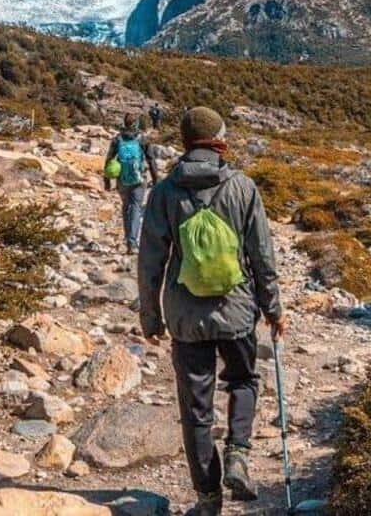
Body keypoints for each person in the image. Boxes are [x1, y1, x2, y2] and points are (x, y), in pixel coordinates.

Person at [136, 107, 283, 515]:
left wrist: (150, 317)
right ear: (219, 138)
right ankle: (238, 452)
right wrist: (272, 308)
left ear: (185, 141)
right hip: (236, 311)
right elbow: (262, 256)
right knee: (243, 380)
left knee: (196, 409)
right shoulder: (243, 187)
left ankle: (208, 495)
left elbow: (151, 261)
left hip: (186, 318)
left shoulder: (165, 192)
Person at [104, 116, 157, 252]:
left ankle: (128, 239)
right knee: (136, 207)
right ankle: (132, 242)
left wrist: (107, 181)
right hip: (139, 178)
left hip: (122, 179)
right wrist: (156, 179)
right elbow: (151, 160)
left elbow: (109, 160)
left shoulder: (117, 139)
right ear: (136, 124)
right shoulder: (142, 139)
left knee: (126, 207)